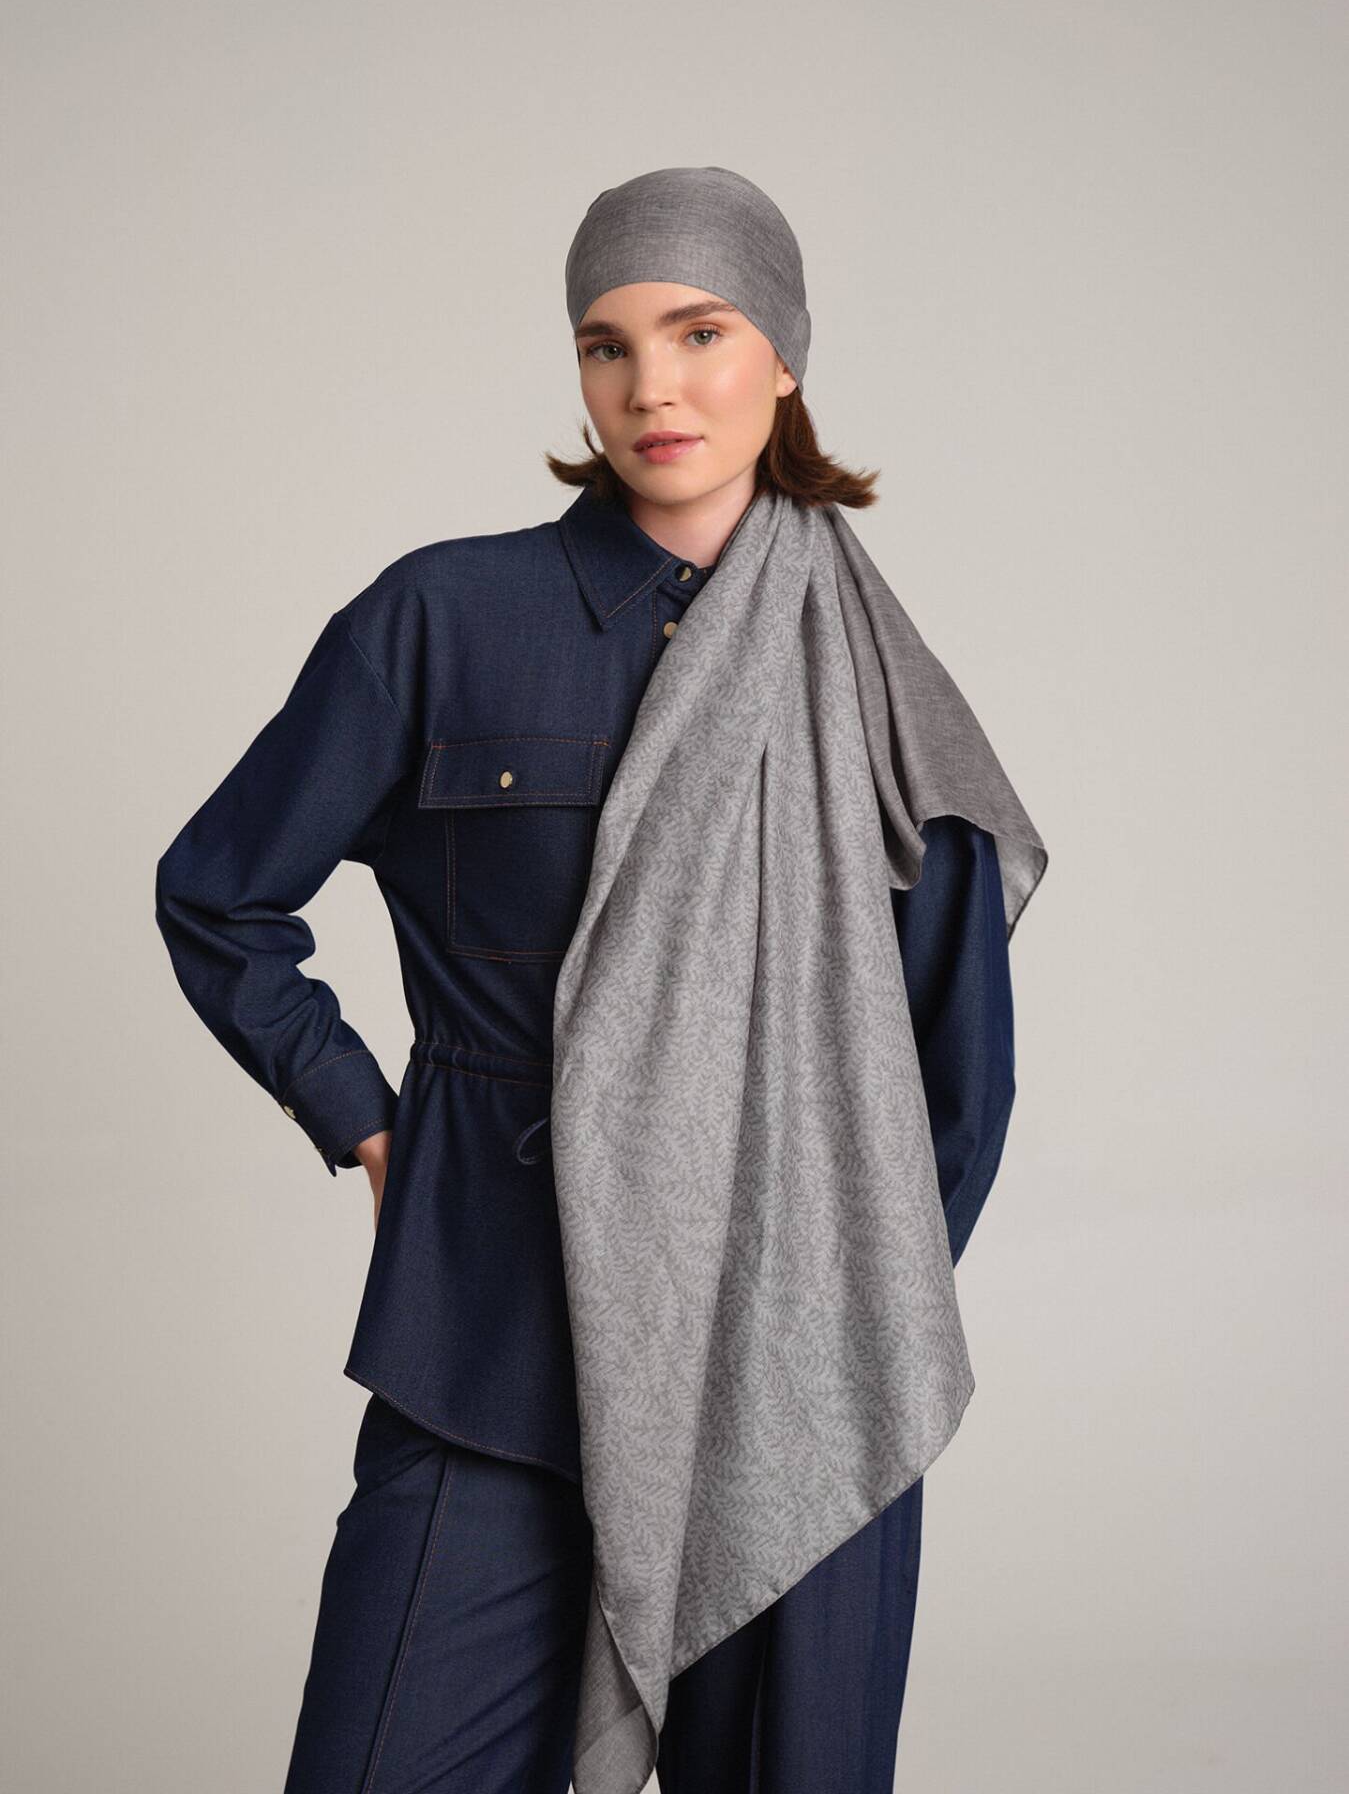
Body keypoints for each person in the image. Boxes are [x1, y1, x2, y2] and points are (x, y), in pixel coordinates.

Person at [154, 166, 1043, 1794]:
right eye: (606, 344)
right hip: (491, 1336)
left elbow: (954, 1073)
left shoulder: (871, 676)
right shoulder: (445, 617)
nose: (651, 387)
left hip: (790, 1369)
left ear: (781, 353)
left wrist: (827, 1309)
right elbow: (218, 892)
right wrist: (365, 1123)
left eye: (700, 333)